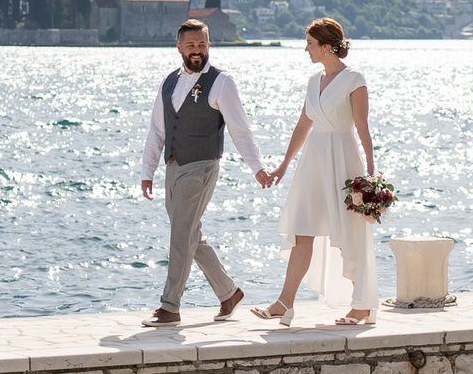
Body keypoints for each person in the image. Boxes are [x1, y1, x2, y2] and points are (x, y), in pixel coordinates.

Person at [135, 18, 266, 328]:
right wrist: (147, 171)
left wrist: (257, 167)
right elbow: (157, 129)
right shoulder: (169, 82)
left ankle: (170, 306)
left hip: (202, 165)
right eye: (191, 45)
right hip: (173, 165)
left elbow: (240, 129)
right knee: (189, 233)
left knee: (180, 234)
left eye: (202, 44)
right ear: (179, 47)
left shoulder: (222, 82)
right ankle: (228, 292)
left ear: (210, 45)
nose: (197, 50)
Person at [253, 18, 378, 326]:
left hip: (343, 159)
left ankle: (362, 305)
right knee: (301, 229)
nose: (305, 48)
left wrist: (371, 173)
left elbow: (362, 126)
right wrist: (283, 165)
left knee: (351, 232)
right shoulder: (313, 80)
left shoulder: (354, 79)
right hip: (313, 160)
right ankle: (285, 303)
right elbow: (303, 125)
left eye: (309, 43)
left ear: (326, 46)